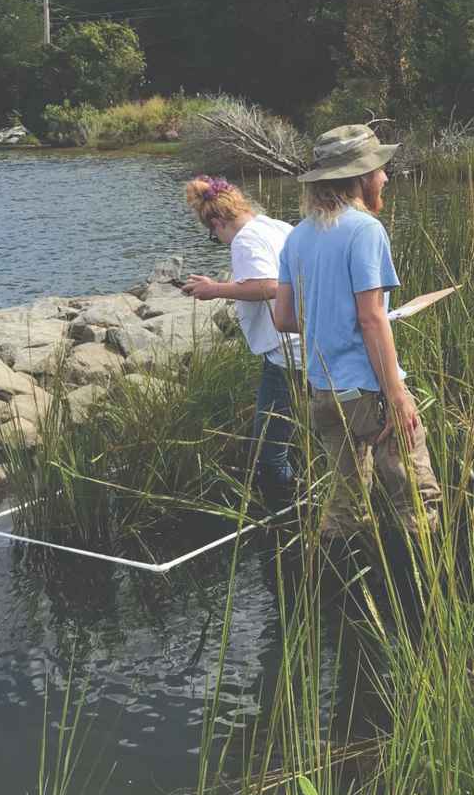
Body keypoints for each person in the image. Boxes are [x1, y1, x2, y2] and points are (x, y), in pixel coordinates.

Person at [271, 125, 440, 540]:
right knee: (416, 502)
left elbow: (284, 318)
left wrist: (332, 321)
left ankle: (329, 590)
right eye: (380, 169)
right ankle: (425, 595)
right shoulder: (365, 230)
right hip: (369, 394)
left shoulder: (298, 235)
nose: (384, 177)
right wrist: (397, 397)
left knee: (346, 506)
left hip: (325, 395)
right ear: (360, 178)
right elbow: (371, 319)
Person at [180, 175, 302, 504]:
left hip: (284, 354)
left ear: (217, 222)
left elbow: (269, 285)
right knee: (298, 435)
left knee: (269, 453)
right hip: (306, 346)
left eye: (213, 235)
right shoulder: (275, 226)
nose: (216, 240)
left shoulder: (244, 241)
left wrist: (214, 289)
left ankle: (287, 514)